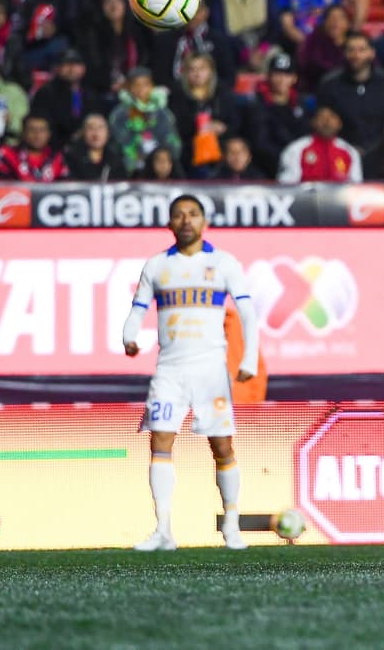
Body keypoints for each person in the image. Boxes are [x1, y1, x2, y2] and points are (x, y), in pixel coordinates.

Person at [123, 195, 259, 551]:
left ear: (204, 222)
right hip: (169, 369)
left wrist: (250, 359)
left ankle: (231, 525)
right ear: (169, 224)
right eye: (179, 215)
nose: (186, 221)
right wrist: (128, 335)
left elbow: (248, 314)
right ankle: (164, 530)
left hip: (210, 370)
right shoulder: (156, 266)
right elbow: (138, 307)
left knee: (222, 445)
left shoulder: (224, 263)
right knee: (160, 442)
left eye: (193, 214)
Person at [316, 31, 384, 151]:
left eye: (361, 50)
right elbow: (323, 123)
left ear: (372, 53)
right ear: (344, 53)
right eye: (351, 50)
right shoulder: (329, 84)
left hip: (381, 154)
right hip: (340, 152)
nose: (356, 55)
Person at [109, 67, 181, 175]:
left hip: (159, 170)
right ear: (128, 87)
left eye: (145, 84)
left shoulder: (163, 113)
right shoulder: (119, 114)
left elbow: (173, 142)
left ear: (152, 86)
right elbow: (116, 144)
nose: (141, 89)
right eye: (136, 85)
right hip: (129, 170)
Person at [30, 49, 103, 149]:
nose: (72, 68)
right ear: (57, 68)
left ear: (83, 69)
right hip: (54, 148)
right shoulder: (46, 93)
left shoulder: (89, 95)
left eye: (76, 64)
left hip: (83, 149)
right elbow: (42, 125)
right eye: (67, 64)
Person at [250, 52, 308, 176]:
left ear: (294, 78)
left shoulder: (301, 104)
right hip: (267, 168)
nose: (282, 79)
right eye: (277, 74)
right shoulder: (258, 104)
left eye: (287, 75)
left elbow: (306, 137)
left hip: (300, 165)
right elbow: (261, 143)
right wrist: (286, 159)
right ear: (269, 76)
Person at [276, 104, 363, 183]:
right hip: (306, 200)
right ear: (313, 122)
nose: (327, 121)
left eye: (331, 117)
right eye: (321, 117)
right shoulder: (296, 149)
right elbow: (286, 187)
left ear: (339, 123)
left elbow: (356, 188)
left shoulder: (350, 152)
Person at [0, 113, 65, 181]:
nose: (37, 135)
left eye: (42, 130)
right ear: (24, 133)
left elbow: (68, 188)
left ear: (49, 134)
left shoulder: (57, 158)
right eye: (32, 130)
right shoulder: (7, 154)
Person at [64, 112, 125, 180]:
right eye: (90, 128)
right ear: (83, 132)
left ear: (108, 133)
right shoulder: (71, 159)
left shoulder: (116, 160)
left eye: (100, 127)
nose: (96, 133)